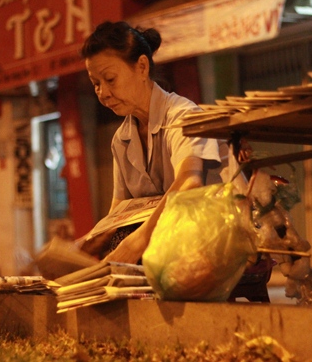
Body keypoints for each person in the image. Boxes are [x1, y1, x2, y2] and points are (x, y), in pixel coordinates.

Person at [80, 20, 246, 264]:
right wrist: (77, 250)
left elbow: (189, 183)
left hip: (222, 237)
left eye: (110, 79)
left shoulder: (183, 116)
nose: (102, 93)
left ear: (142, 67)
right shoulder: (121, 140)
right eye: (96, 84)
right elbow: (117, 217)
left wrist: (139, 241)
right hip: (173, 245)